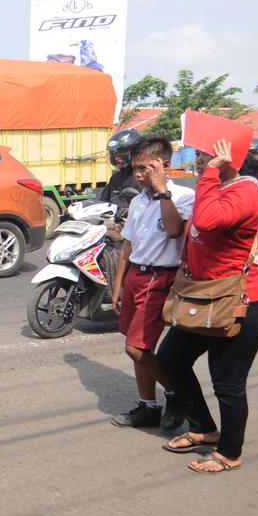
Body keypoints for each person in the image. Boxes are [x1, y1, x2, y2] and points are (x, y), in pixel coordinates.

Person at [157, 139, 258, 475]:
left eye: (206, 155)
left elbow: (207, 221)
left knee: (227, 381)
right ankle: (203, 427)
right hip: (204, 297)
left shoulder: (246, 190)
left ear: (228, 157)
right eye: (199, 155)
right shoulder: (221, 188)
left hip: (241, 303)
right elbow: (196, 233)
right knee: (170, 359)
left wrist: (208, 175)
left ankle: (229, 451)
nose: (199, 161)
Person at [109, 136, 195, 431]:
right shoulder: (136, 200)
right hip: (136, 276)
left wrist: (161, 192)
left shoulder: (183, 197)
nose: (138, 174)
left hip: (162, 278)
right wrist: (118, 286)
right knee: (138, 347)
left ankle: (177, 394)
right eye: (135, 168)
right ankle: (148, 406)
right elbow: (127, 247)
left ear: (165, 166)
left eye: (145, 168)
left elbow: (174, 231)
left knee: (136, 348)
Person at [100, 129, 144, 204]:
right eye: (114, 154)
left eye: (122, 152)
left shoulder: (144, 178)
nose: (117, 158)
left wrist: (129, 210)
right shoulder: (115, 178)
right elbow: (103, 201)